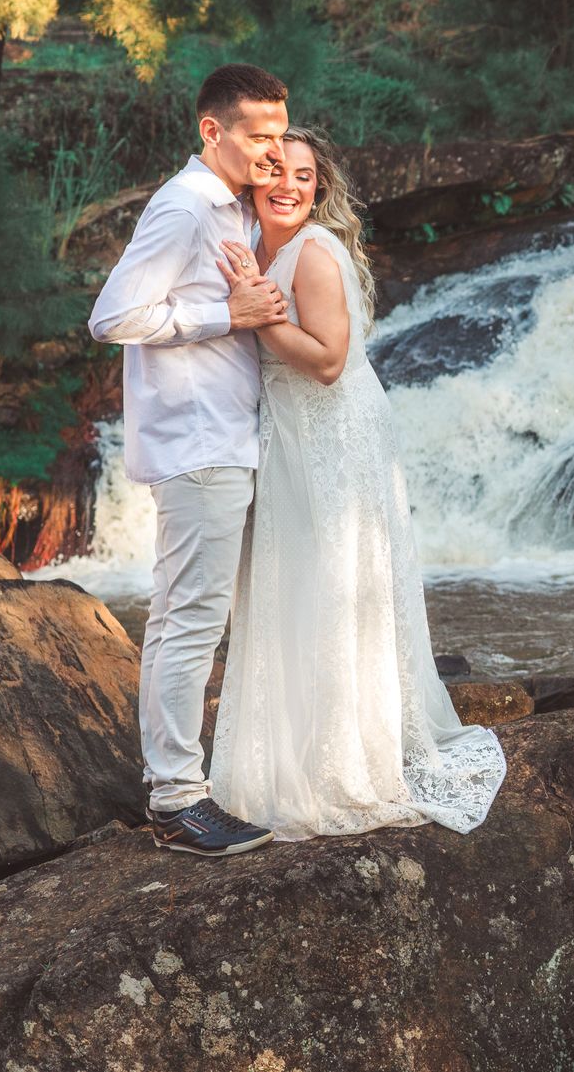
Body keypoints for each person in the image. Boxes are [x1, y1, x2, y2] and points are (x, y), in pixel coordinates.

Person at [206, 125, 507, 841]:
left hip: (334, 432)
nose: (288, 184)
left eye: (304, 177)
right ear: (252, 176)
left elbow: (330, 360)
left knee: (336, 582)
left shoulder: (310, 252)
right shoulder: (258, 244)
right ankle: (290, 757)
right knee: (295, 584)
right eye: (275, 169)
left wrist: (257, 311)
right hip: (292, 432)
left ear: (320, 190)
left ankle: (345, 759)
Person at [88, 63, 291, 856]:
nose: (274, 151)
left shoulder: (235, 206)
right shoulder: (182, 206)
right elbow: (113, 315)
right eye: (260, 136)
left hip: (233, 437)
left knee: (206, 617)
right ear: (213, 132)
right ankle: (176, 801)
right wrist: (224, 311)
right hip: (199, 443)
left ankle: (206, 784)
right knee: (188, 621)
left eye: (282, 134)